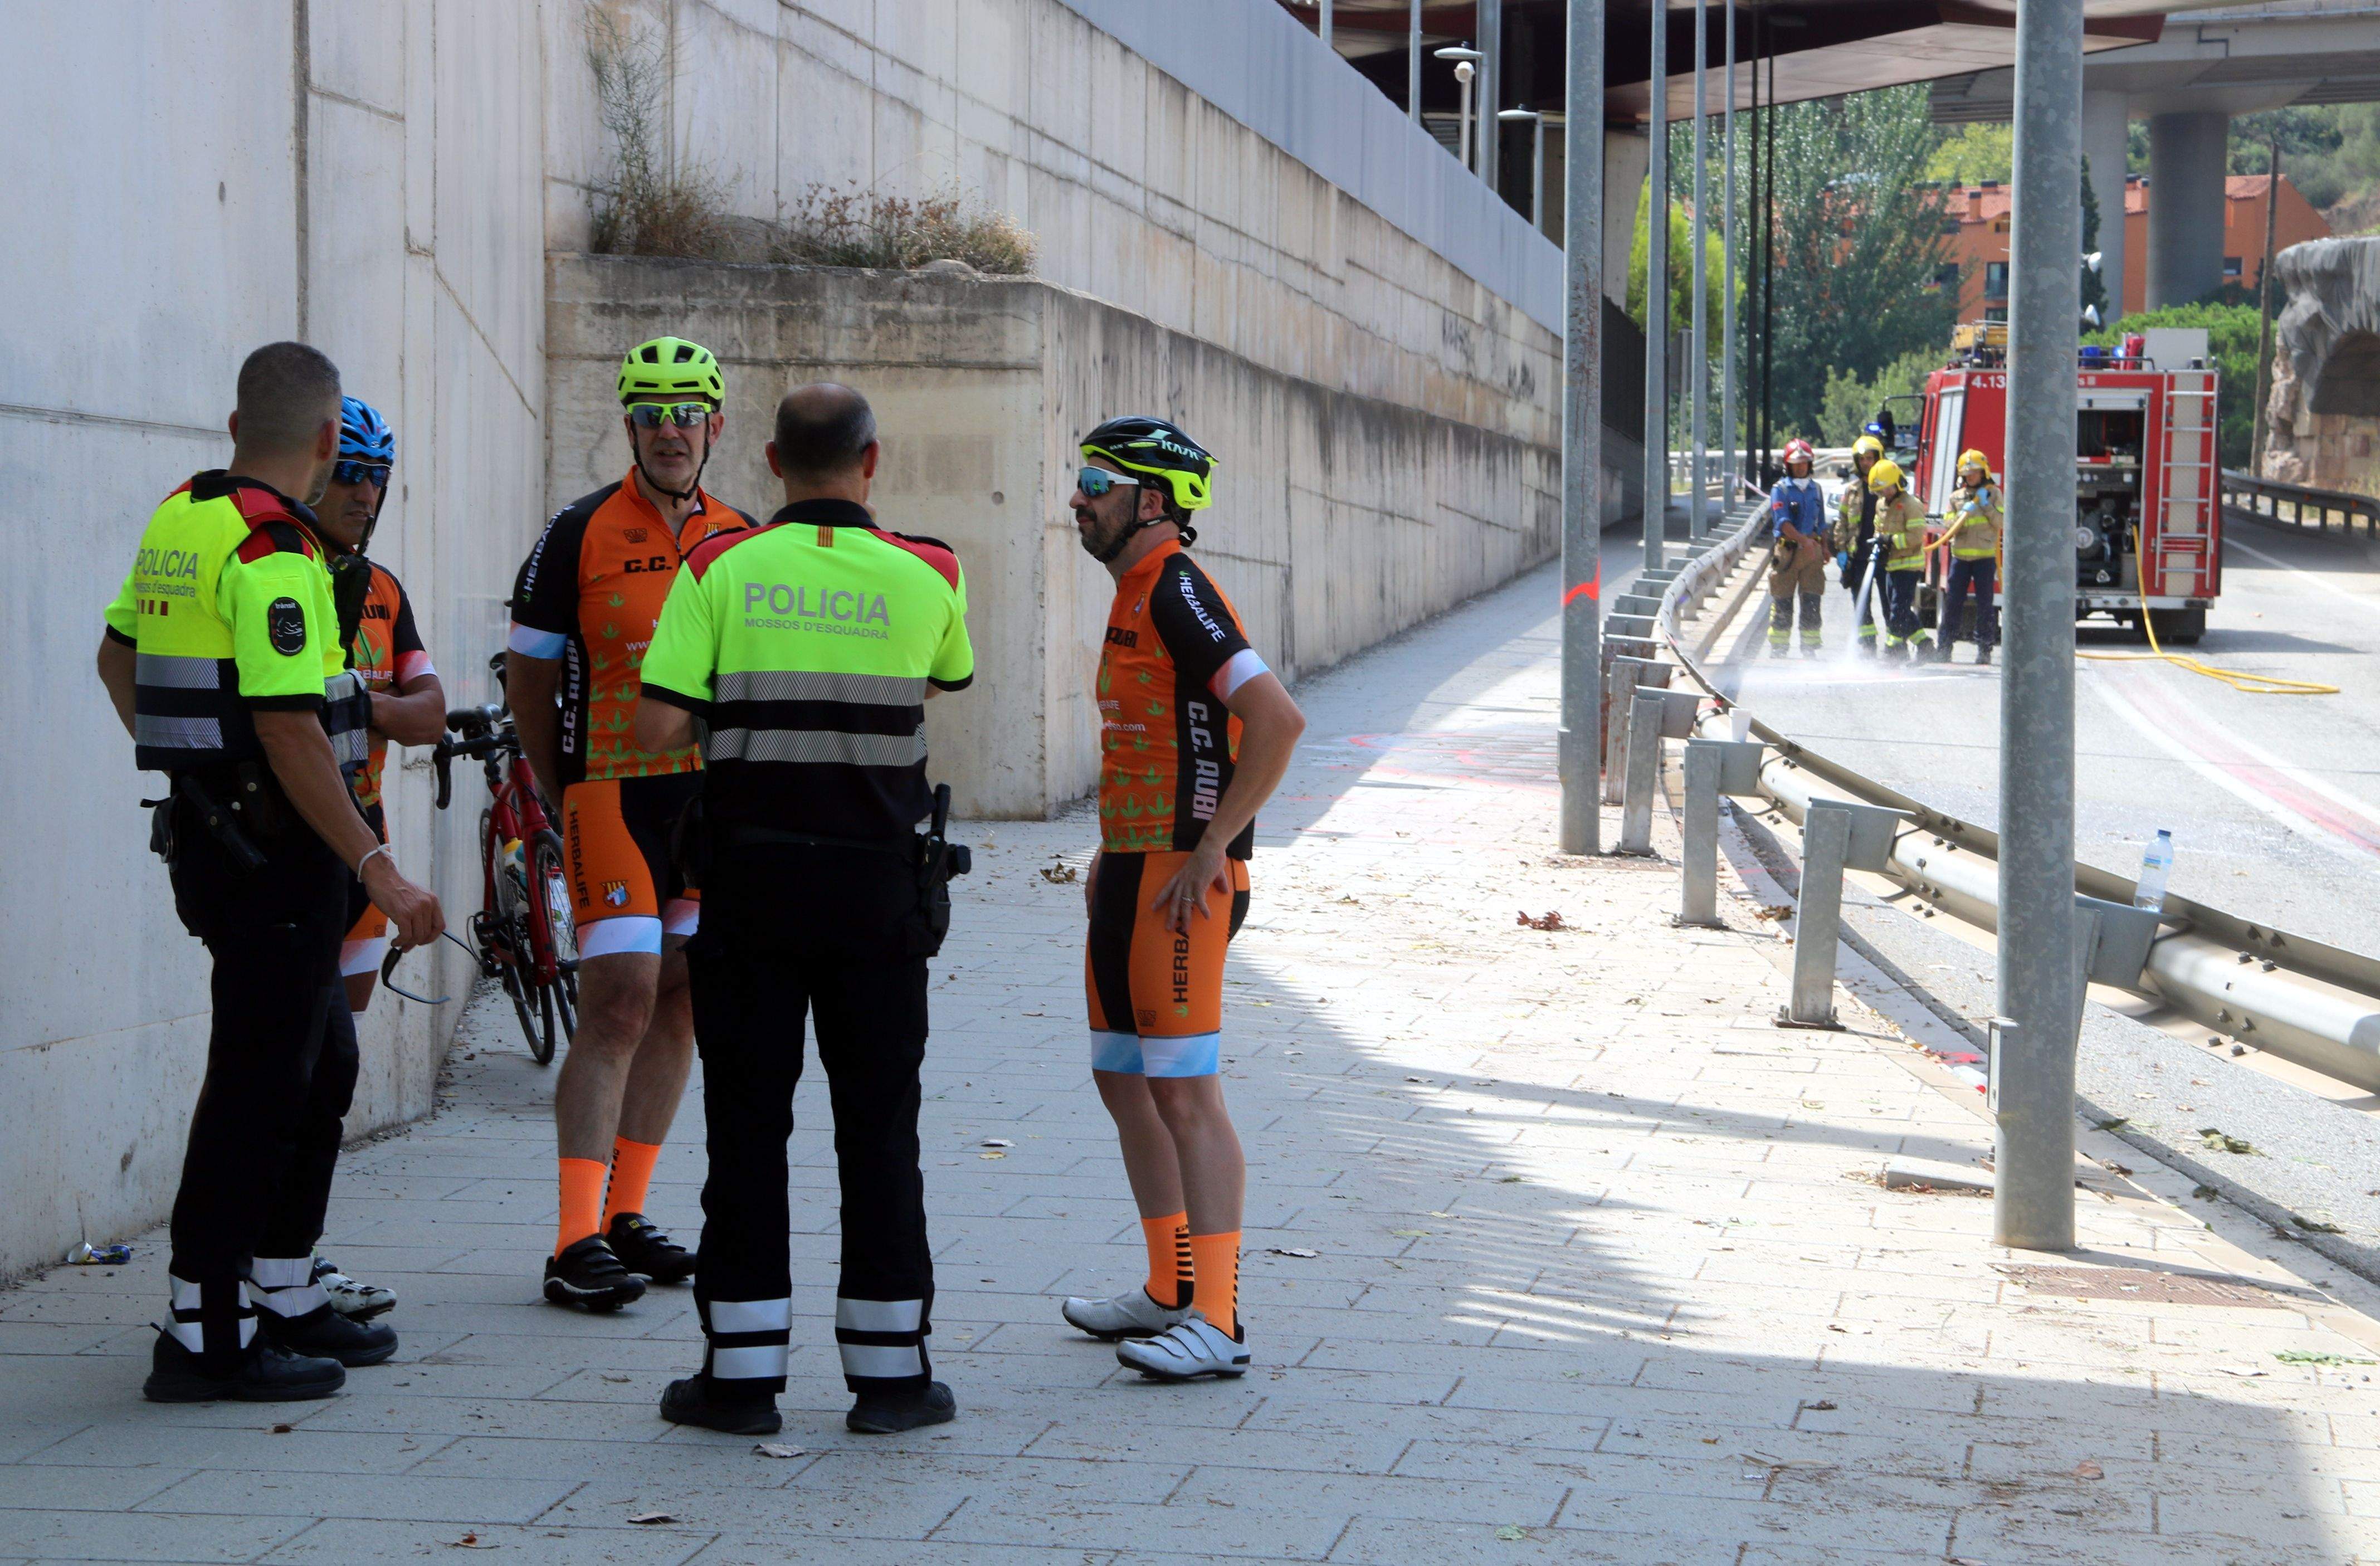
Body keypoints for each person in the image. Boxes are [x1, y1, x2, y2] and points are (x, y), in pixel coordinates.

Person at [95, 342, 442, 1401]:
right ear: (331, 439)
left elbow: (118, 658)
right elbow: (290, 729)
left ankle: (283, 1290)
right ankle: (206, 1333)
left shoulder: (183, 516)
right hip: (274, 862)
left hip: (221, 849)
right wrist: (380, 869)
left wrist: (193, 779)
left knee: (317, 1064)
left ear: (235, 419)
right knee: (256, 1085)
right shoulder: (274, 552)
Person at [631, 383, 975, 1437]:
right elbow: (948, 677)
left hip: (751, 890)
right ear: (871, 465)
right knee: (880, 1128)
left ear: (771, 465)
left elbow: (653, 733)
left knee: (746, 1128)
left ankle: (739, 1379)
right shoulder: (931, 572)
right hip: (878, 898)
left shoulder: (715, 567)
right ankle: (892, 1377)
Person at [508, 336, 757, 1310]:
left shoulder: (741, 534)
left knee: (682, 1001)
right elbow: (528, 675)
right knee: (618, 1000)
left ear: (714, 426)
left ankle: (623, 1212)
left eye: (686, 412)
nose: (669, 430)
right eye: (651, 413)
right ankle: (571, 1239)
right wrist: (555, 781)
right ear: (629, 426)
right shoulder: (576, 533)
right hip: (610, 790)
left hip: (707, 804)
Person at [1057, 416, 1306, 1383]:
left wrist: (1213, 850)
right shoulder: (1135, 590)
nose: (1077, 497)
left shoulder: (1177, 592)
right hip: (1129, 866)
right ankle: (1170, 1286)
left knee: (1184, 1094)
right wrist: (1111, 855)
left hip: (1178, 881)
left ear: (1150, 501)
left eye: (1094, 481)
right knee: (1122, 1078)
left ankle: (1218, 1316)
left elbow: (1275, 721)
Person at [1935, 449, 2002, 665]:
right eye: (1967, 473)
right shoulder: (1956, 498)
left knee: (1985, 604)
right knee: (1953, 602)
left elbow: (2001, 523)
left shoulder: (1994, 494)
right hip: (1961, 559)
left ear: (1984, 472)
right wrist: (1960, 514)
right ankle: (1944, 648)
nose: (1970, 477)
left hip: (1984, 558)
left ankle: (1984, 649)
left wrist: (1985, 506)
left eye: (1974, 472)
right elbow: (1947, 526)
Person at [1866, 458, 1932, 662]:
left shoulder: (1912, 505)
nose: (1884, 494)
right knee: (1896, 609)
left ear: (1898, 482)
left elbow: (1915, 537)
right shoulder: (1881, 505)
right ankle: (1925, 645)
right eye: (1880, 491)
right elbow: (1879, 528)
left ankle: (1894, 649)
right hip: (1891, 565)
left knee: (1897, 609)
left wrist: (1891, 540)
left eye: (1886, 489)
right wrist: (1880, 542)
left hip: (1909, 566)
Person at [1766, 438, 1827, 657]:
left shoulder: (1816, 489)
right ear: (1788, 465)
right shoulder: (1780, 489)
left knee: (1812, 599)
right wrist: (1804, 542)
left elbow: (1821, 523)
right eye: (1796, 463)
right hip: (1788, 552)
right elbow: (1783, 522)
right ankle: (1780, 647)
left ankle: (1810, 647)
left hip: (1812, 552)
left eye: (1804, 463)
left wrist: (1826, 548)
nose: (1801, 467)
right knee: (1783, 600)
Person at [1832, 433, 1886, 655]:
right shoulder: (1851, 490)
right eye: (1862, 459)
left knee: (1889, 602)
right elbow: (1842, 521)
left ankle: (1897, 646)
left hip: (1885, 555)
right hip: (1859, 555)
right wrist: (1841, 550)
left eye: (1870, 458)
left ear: (1878, 459)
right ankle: (1869, 645)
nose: (1866, 463)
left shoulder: (1888, 487)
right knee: (1861, 603)